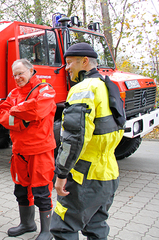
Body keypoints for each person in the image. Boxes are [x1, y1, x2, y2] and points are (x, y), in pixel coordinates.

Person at [50, 43, 124, 239]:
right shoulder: (109, 86)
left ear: (84, 62)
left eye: (69, 63)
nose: (66, 68)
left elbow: (73, 139)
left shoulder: (83, 89)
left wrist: (61, 174)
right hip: (108, 173)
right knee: (96, 225)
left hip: (84, 175)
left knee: (63, 226)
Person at [0, 59, 57, 240]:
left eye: (21, 73)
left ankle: (46, 231)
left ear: (31, 71)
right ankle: (27, 224)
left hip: (40, 151)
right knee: (21, 191)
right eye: (15, 74)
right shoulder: (13, 93)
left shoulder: (45, 90)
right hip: (19, 151)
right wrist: (23, 120)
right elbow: (2, 116)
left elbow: (38, 110)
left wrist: (14, 111)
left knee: (41, 191)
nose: (18, 77)